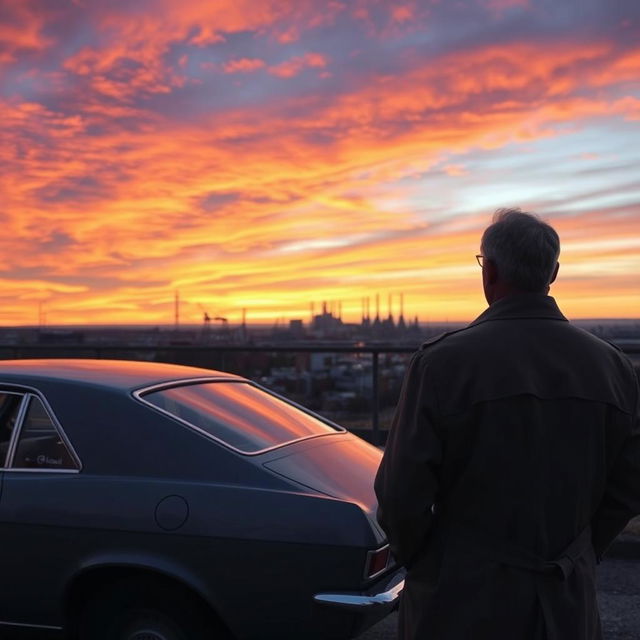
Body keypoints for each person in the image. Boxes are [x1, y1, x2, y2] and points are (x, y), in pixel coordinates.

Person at [375, 208, 640, 640]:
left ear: (490, 271)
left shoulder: (442, 364)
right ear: (553, 271)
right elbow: (630, 483)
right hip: (566, 599)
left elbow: (401, 491)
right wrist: (582, 553)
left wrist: (425, 559)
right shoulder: (612, 366)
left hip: (460, 600)